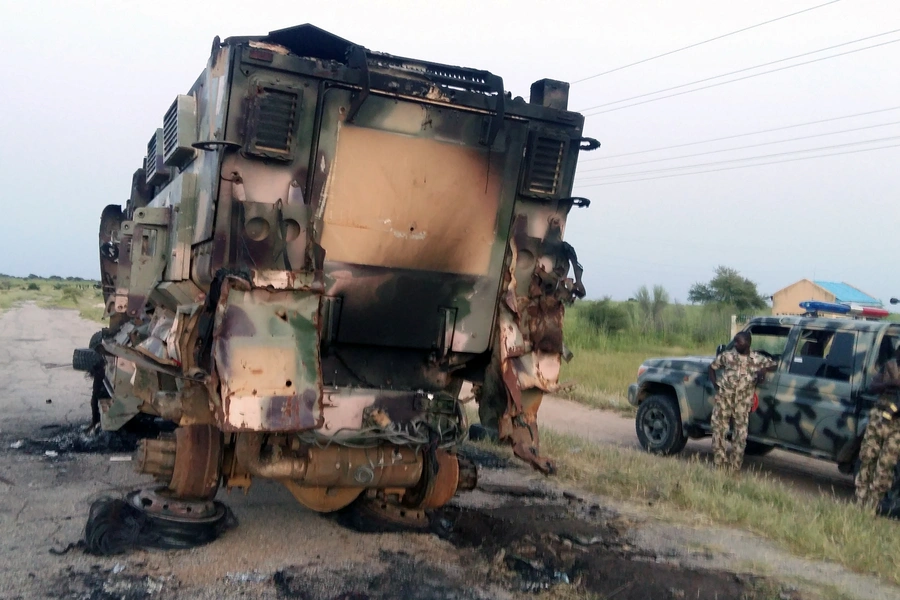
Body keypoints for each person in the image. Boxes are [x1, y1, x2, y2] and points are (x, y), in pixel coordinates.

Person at [707, 331, 777, 471]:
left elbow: (774, 365)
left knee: (740, 436)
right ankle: (719, 464)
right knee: (719, 431)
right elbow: (712, 367)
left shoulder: (757, 359)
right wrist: (716, 385)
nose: (736, 344)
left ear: (747, 343)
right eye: (735, 341)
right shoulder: (728, 356)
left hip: (742, 403)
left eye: (739, 342)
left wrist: (763, 370)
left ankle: (735, 466)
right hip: (724, 400)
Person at [855, 344, 900, 511]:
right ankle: (860, 504)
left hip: (897, 425)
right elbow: (872, 387)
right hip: (878, 418)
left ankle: (872, 507)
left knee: (886, 465)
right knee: (867, 457)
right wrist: (891, 383)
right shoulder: (889, 366)